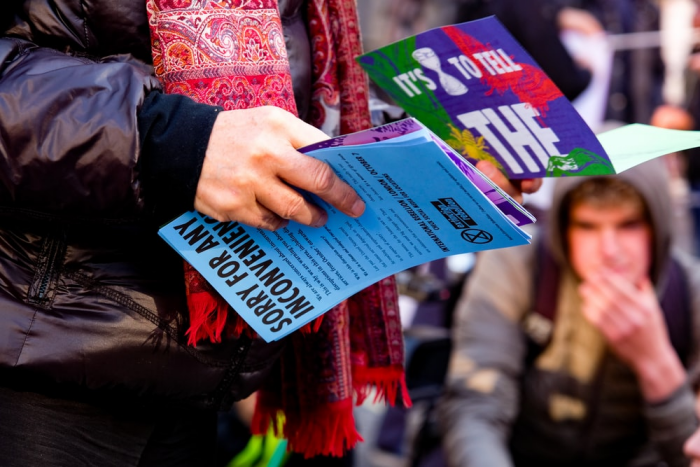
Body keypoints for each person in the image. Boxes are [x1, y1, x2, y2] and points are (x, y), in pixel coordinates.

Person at [0, 1, 540, 466]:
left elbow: (288, 102)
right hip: (44, 358)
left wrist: (439, 157)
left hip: (196, 367)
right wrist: (172, 141)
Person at [438, 158, 700, 467]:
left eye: (628, 225)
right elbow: (476, 404)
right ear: (563, 227)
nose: (609, 251)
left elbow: (689, 452)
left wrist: (655, 363)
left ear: (658, 227)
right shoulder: (519, 263)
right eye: (587, 226)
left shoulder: (689, 292)